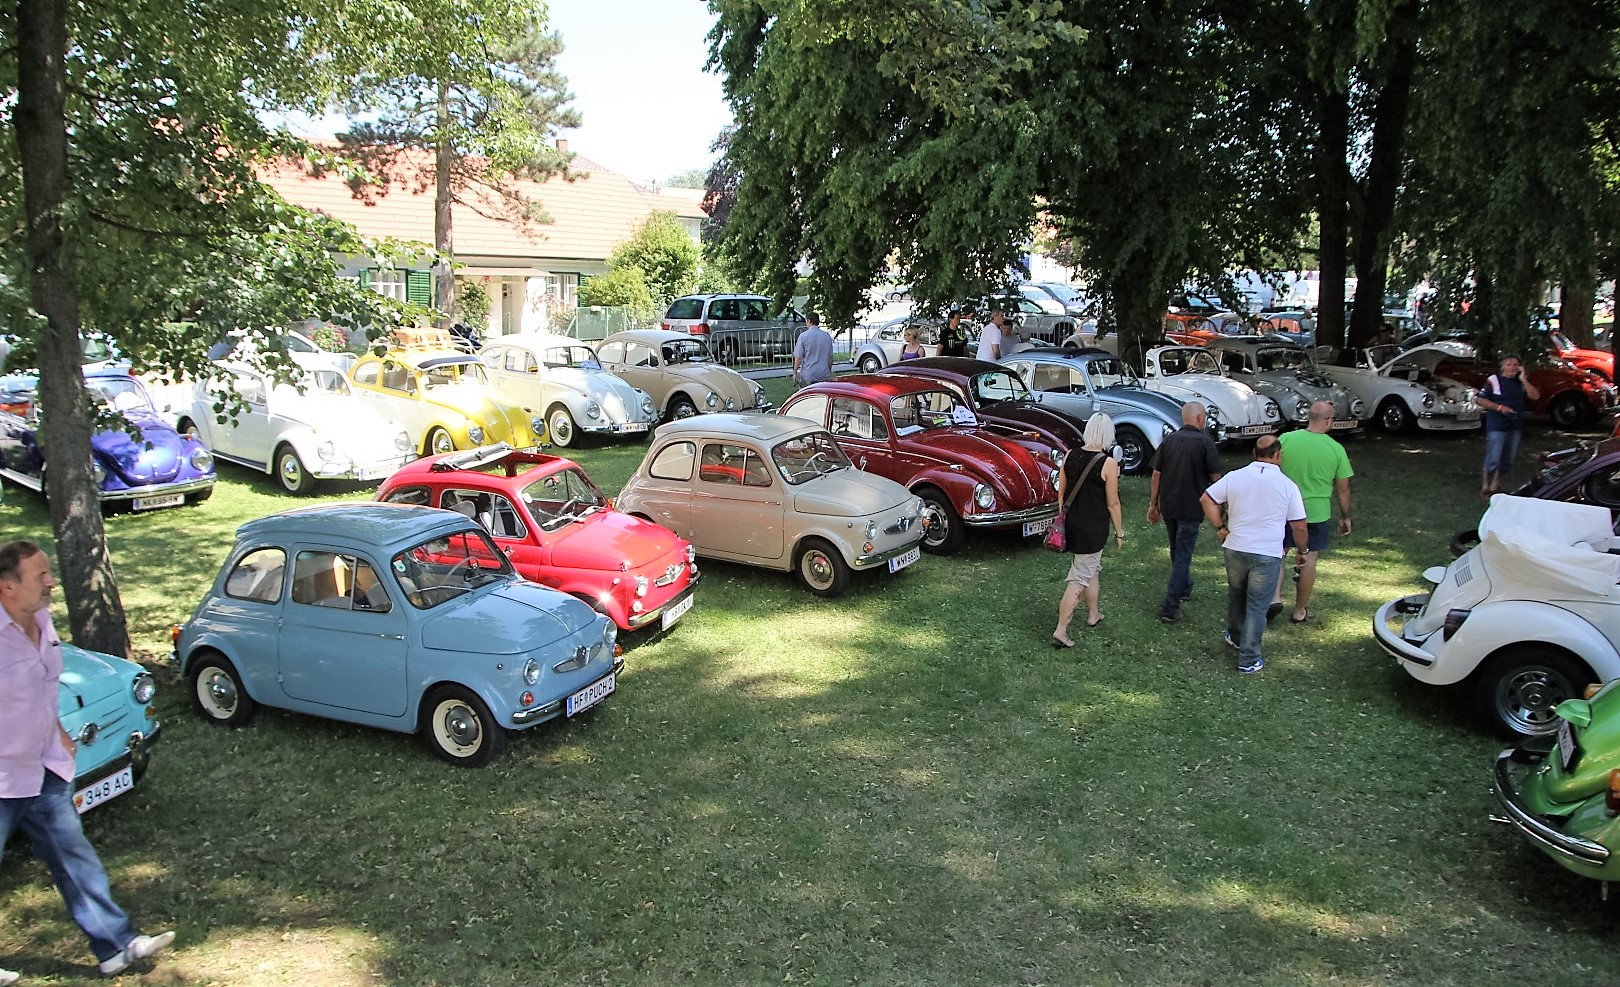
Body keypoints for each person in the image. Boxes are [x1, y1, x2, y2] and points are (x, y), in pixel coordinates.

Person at [0, 542, 175, 981]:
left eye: (49, 573)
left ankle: (116, 946)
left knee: (73, 858)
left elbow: (43, 688)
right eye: (39, 576)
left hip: (44, 769)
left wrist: (58, 734)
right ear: (6, 587)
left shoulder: (39, 621)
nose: (52, 582)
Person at [1200, 437, 1308, 674]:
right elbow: (1299, 525)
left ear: (1253, 452)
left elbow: (1207, 499)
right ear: (1278, 455)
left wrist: (1220, 527)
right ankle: (1248, 658)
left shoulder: (1235, 477)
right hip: (1267, 553)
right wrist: (1303, 551)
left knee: (1236, 594)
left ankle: (1236, 636)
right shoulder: (1287, 485)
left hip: (1236, 547)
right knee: (1257, 607)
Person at [1272, 400, 1353, 624]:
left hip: (1285, 509)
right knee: (1308, 561)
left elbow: (1271, 468)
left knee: (1279, 555)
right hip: (1316, 513)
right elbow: (1343, 488)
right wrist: (1345, 515)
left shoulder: (1286, 439)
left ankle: (1274, 596)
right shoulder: (1336, 449)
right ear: (1328, 421)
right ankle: (1299, 610)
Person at [1051, 413, 1124, 647]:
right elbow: (1113, 503)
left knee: (1092, 568)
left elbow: (1061, 494)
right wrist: (1120, 532)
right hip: (1093, 529)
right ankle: (1061, 630)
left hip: (1072, 524)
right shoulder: (1109, 463)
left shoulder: (1070, 455)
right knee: (1079, 577)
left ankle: (1094, 614)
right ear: (1107, 434)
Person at [1147, 401, 1223, 623]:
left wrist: (1154, 503)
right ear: (1199, 418)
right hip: (1192, 507)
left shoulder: (1169, 441)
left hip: (1170, 504)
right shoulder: (1205, 443)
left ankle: (1185, 586)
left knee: (1176, 549)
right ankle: (1170, 606)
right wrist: (1221, 507)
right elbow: (1216, 478)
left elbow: (1156, 474)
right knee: (1183, 555)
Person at [1477, 354, 1541, 497]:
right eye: (1509, 364)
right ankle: (1485, 485)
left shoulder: (1520, 382)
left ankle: (1495, 485)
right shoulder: (1494, 380)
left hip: (1515, 425)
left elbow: (1535, 396)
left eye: (1515, 365)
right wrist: (1500, 408)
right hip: (1497, 424)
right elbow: (1481, 400)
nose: (1512, 367)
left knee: (1507, 458)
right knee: (1493, 456)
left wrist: (1524, 380)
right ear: (1502, 366)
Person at [792, 312, 834, 388]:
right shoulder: (826, 336)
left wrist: (795, 372)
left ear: (809, 321)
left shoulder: (803, 336)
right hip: (823, 373)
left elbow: (798, 357)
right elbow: (830, 357)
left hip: (808, 374)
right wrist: (829, 370)